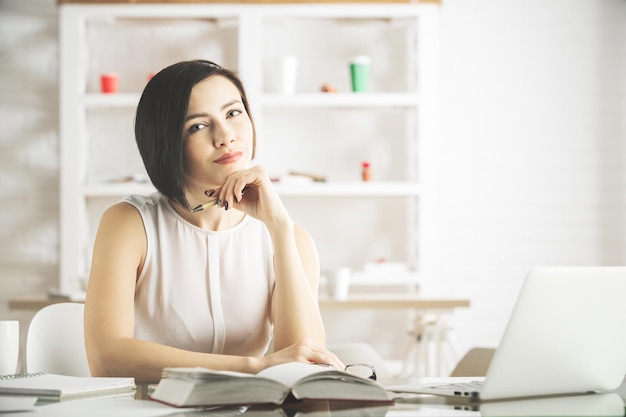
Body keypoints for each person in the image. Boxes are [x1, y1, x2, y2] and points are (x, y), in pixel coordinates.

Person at [84, 59, 343, 382]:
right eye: (197, 126)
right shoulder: (129, 224)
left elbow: (306, 365)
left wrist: (279, 228)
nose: (225, 137)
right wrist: (256, 367)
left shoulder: (291, 239)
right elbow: (107, 359)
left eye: (233, 113)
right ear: (167, 144)